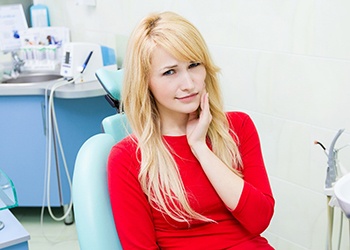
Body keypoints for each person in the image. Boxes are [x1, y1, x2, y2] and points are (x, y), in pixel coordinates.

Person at [108, 11, 275, 249]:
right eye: (170, 72)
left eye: (194, 65)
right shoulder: (128, 158)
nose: (189, 84)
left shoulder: (238, 127)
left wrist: (200, 147)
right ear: (145, 81)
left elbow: (259, 220)